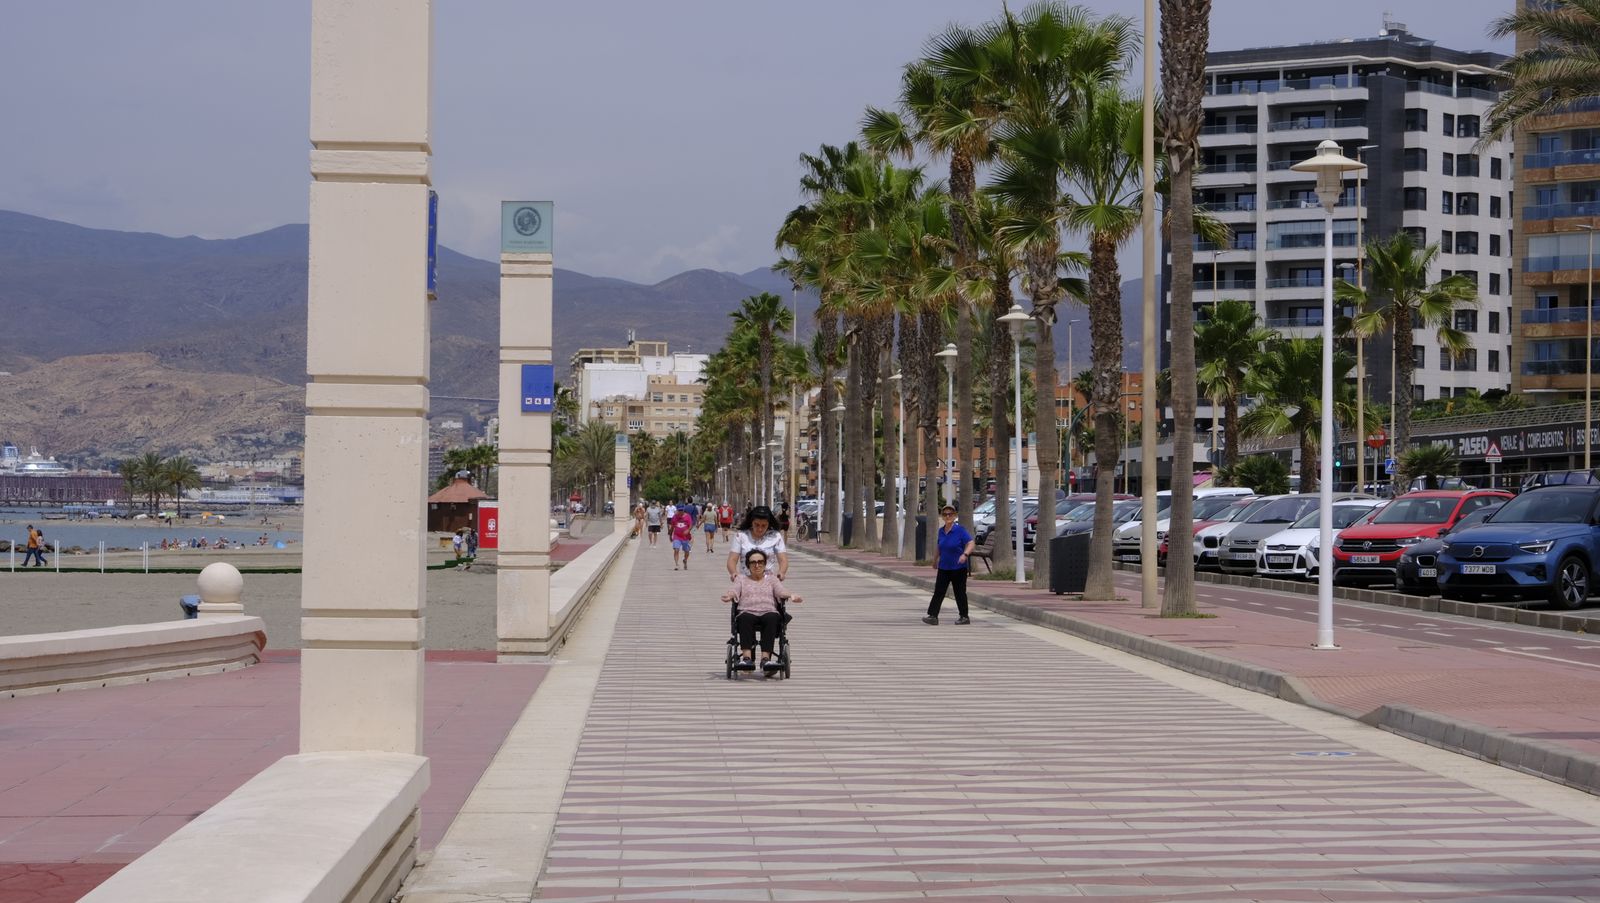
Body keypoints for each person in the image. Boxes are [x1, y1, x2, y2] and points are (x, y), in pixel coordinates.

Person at [721, 549, 802, 672]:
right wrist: (729, 596)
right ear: (748, 565)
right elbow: (735, 590)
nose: (757, 565)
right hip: (747, 611)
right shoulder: (741, 579)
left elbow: (780, 591)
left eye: (760, 562)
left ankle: (766, 659)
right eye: (753, 562)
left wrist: (791, 595)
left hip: (768, 611)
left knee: (772, 617)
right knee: (744, 618)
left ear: (765, 564)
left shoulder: (772, 579)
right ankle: (747, 658)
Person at [922, 504, 974, 625]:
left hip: (958, 568)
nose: (948, 516)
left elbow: (971, 543)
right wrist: (935, 561)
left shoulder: (960, 530)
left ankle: (964, 616)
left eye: (950, 514)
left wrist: (965, 555)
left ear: (955, 516)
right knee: (939, 591)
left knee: (959, 592)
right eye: (945, 514)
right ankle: (933, 616)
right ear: (942, 516)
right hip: (944, 567)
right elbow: (939, 548)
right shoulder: (941, 531)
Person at [727, 505, 788, 581]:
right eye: (756, 525)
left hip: (768, 582)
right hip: (745, 581)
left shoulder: (775, 536)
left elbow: (783, 559)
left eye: (764, 526)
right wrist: (734, 572)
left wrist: (781, 572)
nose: (760, 529)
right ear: (751, 522)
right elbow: (732, 559)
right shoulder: (741, 536)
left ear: (768, 524)